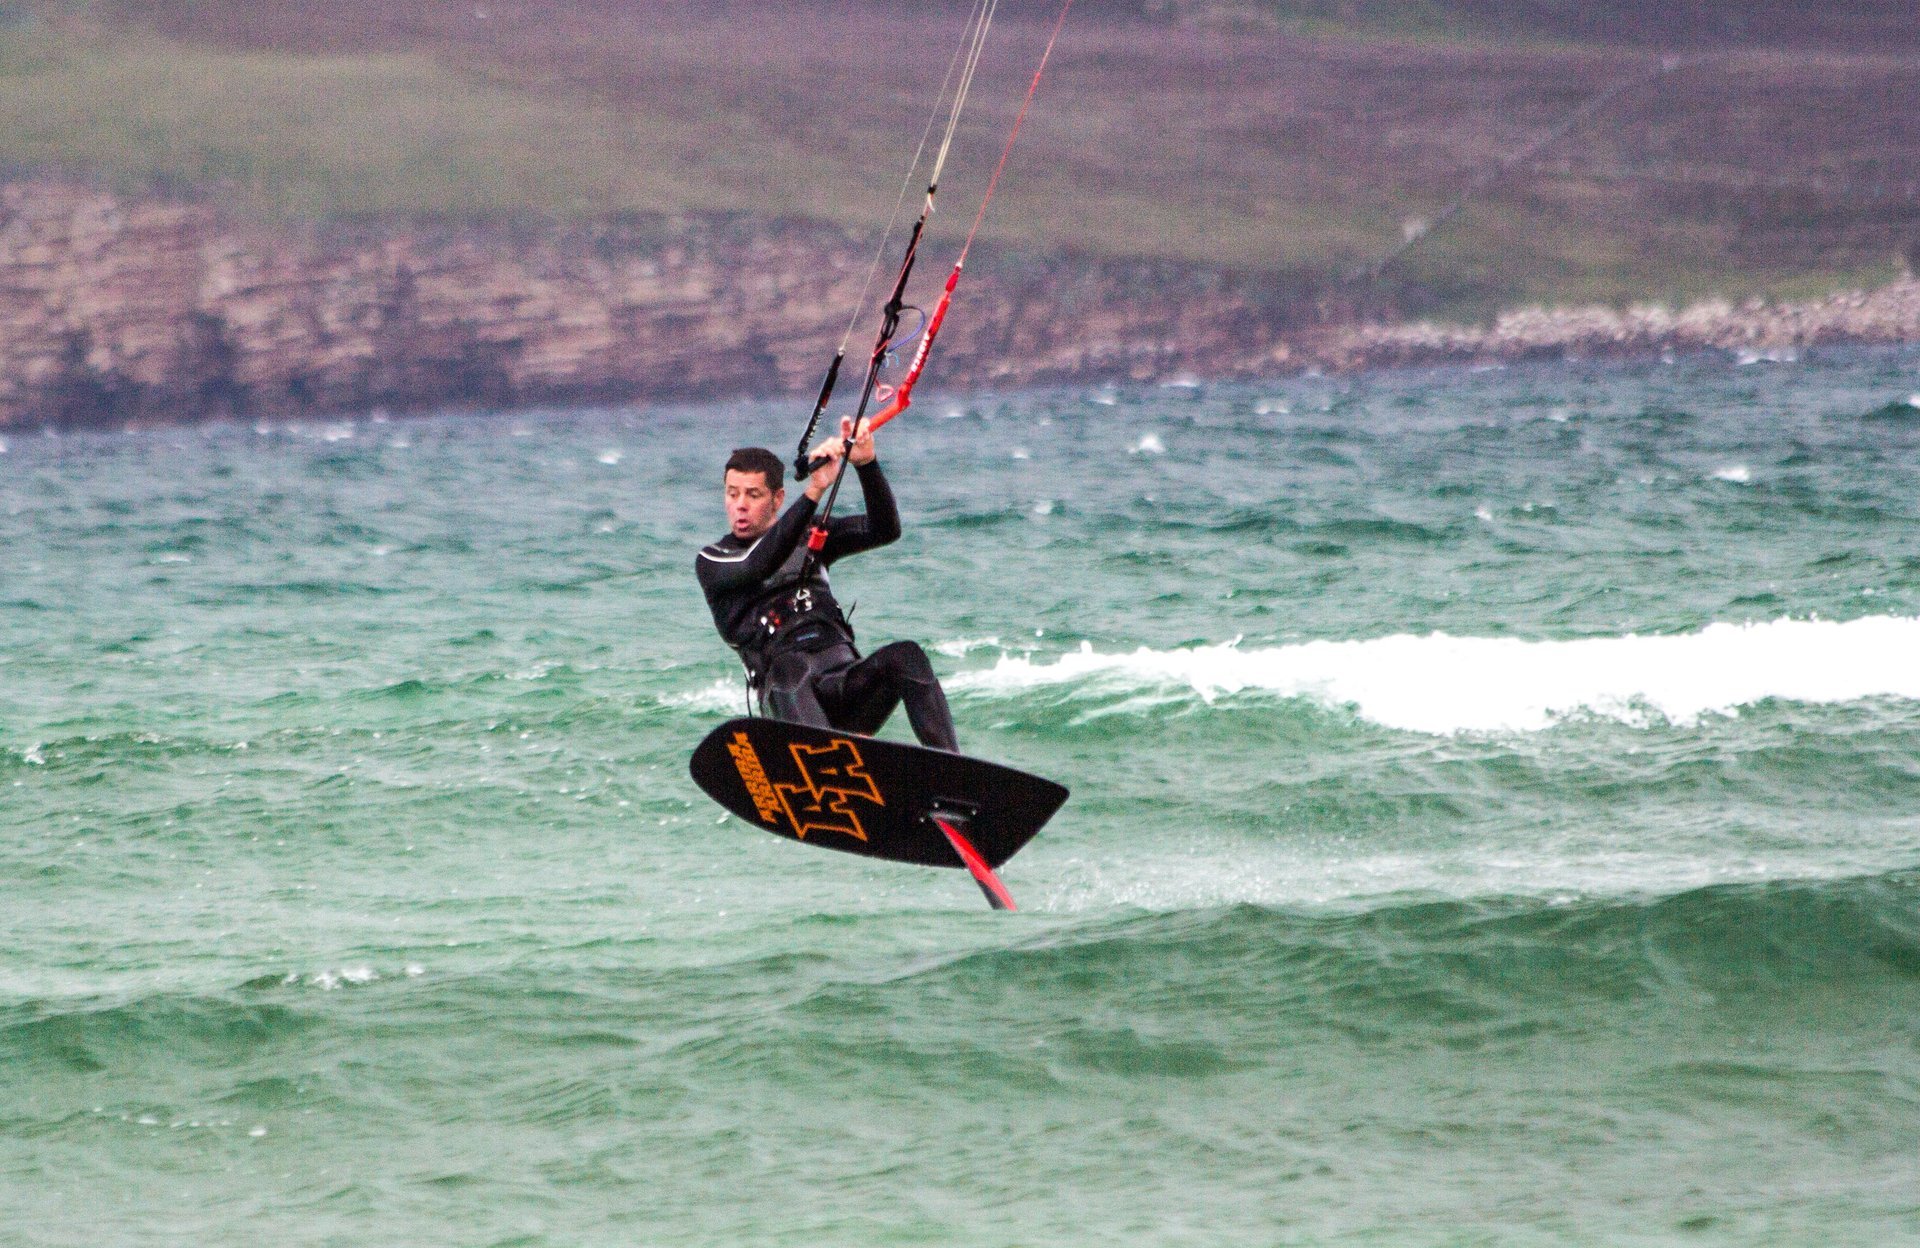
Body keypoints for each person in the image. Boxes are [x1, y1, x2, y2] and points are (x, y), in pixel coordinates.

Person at [696, 416, 960, 752]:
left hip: (846, 686)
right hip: (788, 700)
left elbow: (885, 529)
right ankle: (825, 767)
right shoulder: (715, 560)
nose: (740, 505)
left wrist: (866, 464)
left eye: (753, 494)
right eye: (732, 494)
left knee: (907, 656)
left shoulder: (813, 535)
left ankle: (951, 770)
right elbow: (758, 564)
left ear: (777, 499)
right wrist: (815, 489)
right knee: (789, 668)